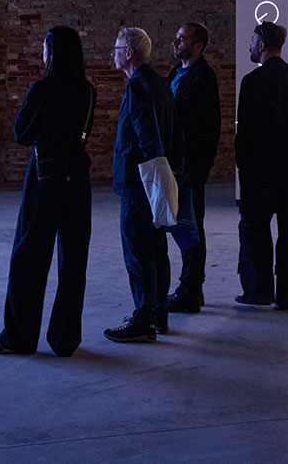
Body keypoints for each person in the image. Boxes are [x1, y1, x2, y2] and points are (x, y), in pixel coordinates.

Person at [0, 26, 97, 356]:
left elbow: (21, 132)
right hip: (78, 178)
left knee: (28, 258)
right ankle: (65, 339)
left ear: (54, 53)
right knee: (73, 261)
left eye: (45, 48)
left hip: (45, 176)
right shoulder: (88, 90)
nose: (41, 54)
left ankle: (19, 337)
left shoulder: (42, 89)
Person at [105, 27, 185, 343]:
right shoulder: (160, 83)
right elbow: (174, 132)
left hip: (140, 181)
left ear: (129, 53)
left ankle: (143, 321)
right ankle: (157, 315)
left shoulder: (138, 86)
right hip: (153, 179)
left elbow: (146, 135)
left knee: (138, 252)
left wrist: (154, 175)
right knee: (156, 249)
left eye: (116, 47)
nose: (112, 52)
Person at [234, 21, 288, 311]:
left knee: (255, 231)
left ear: (260, 45)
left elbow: (245, 133)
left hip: (260, 174)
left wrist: (243, 168)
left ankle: (258, 291)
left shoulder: (252, 82)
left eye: (251, 39)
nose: (249, 45)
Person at [165, 22, 221, 314]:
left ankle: (190, 289)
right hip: (174, 165)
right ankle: (191, 289)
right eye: (177, 37)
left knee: (190, 226)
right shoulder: (176, 73)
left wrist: (195, 167)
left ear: (197, 46)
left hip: (189, 168)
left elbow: (207, 129)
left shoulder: (203, 78)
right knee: (180, 225)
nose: (175, 42)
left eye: (182, 38)